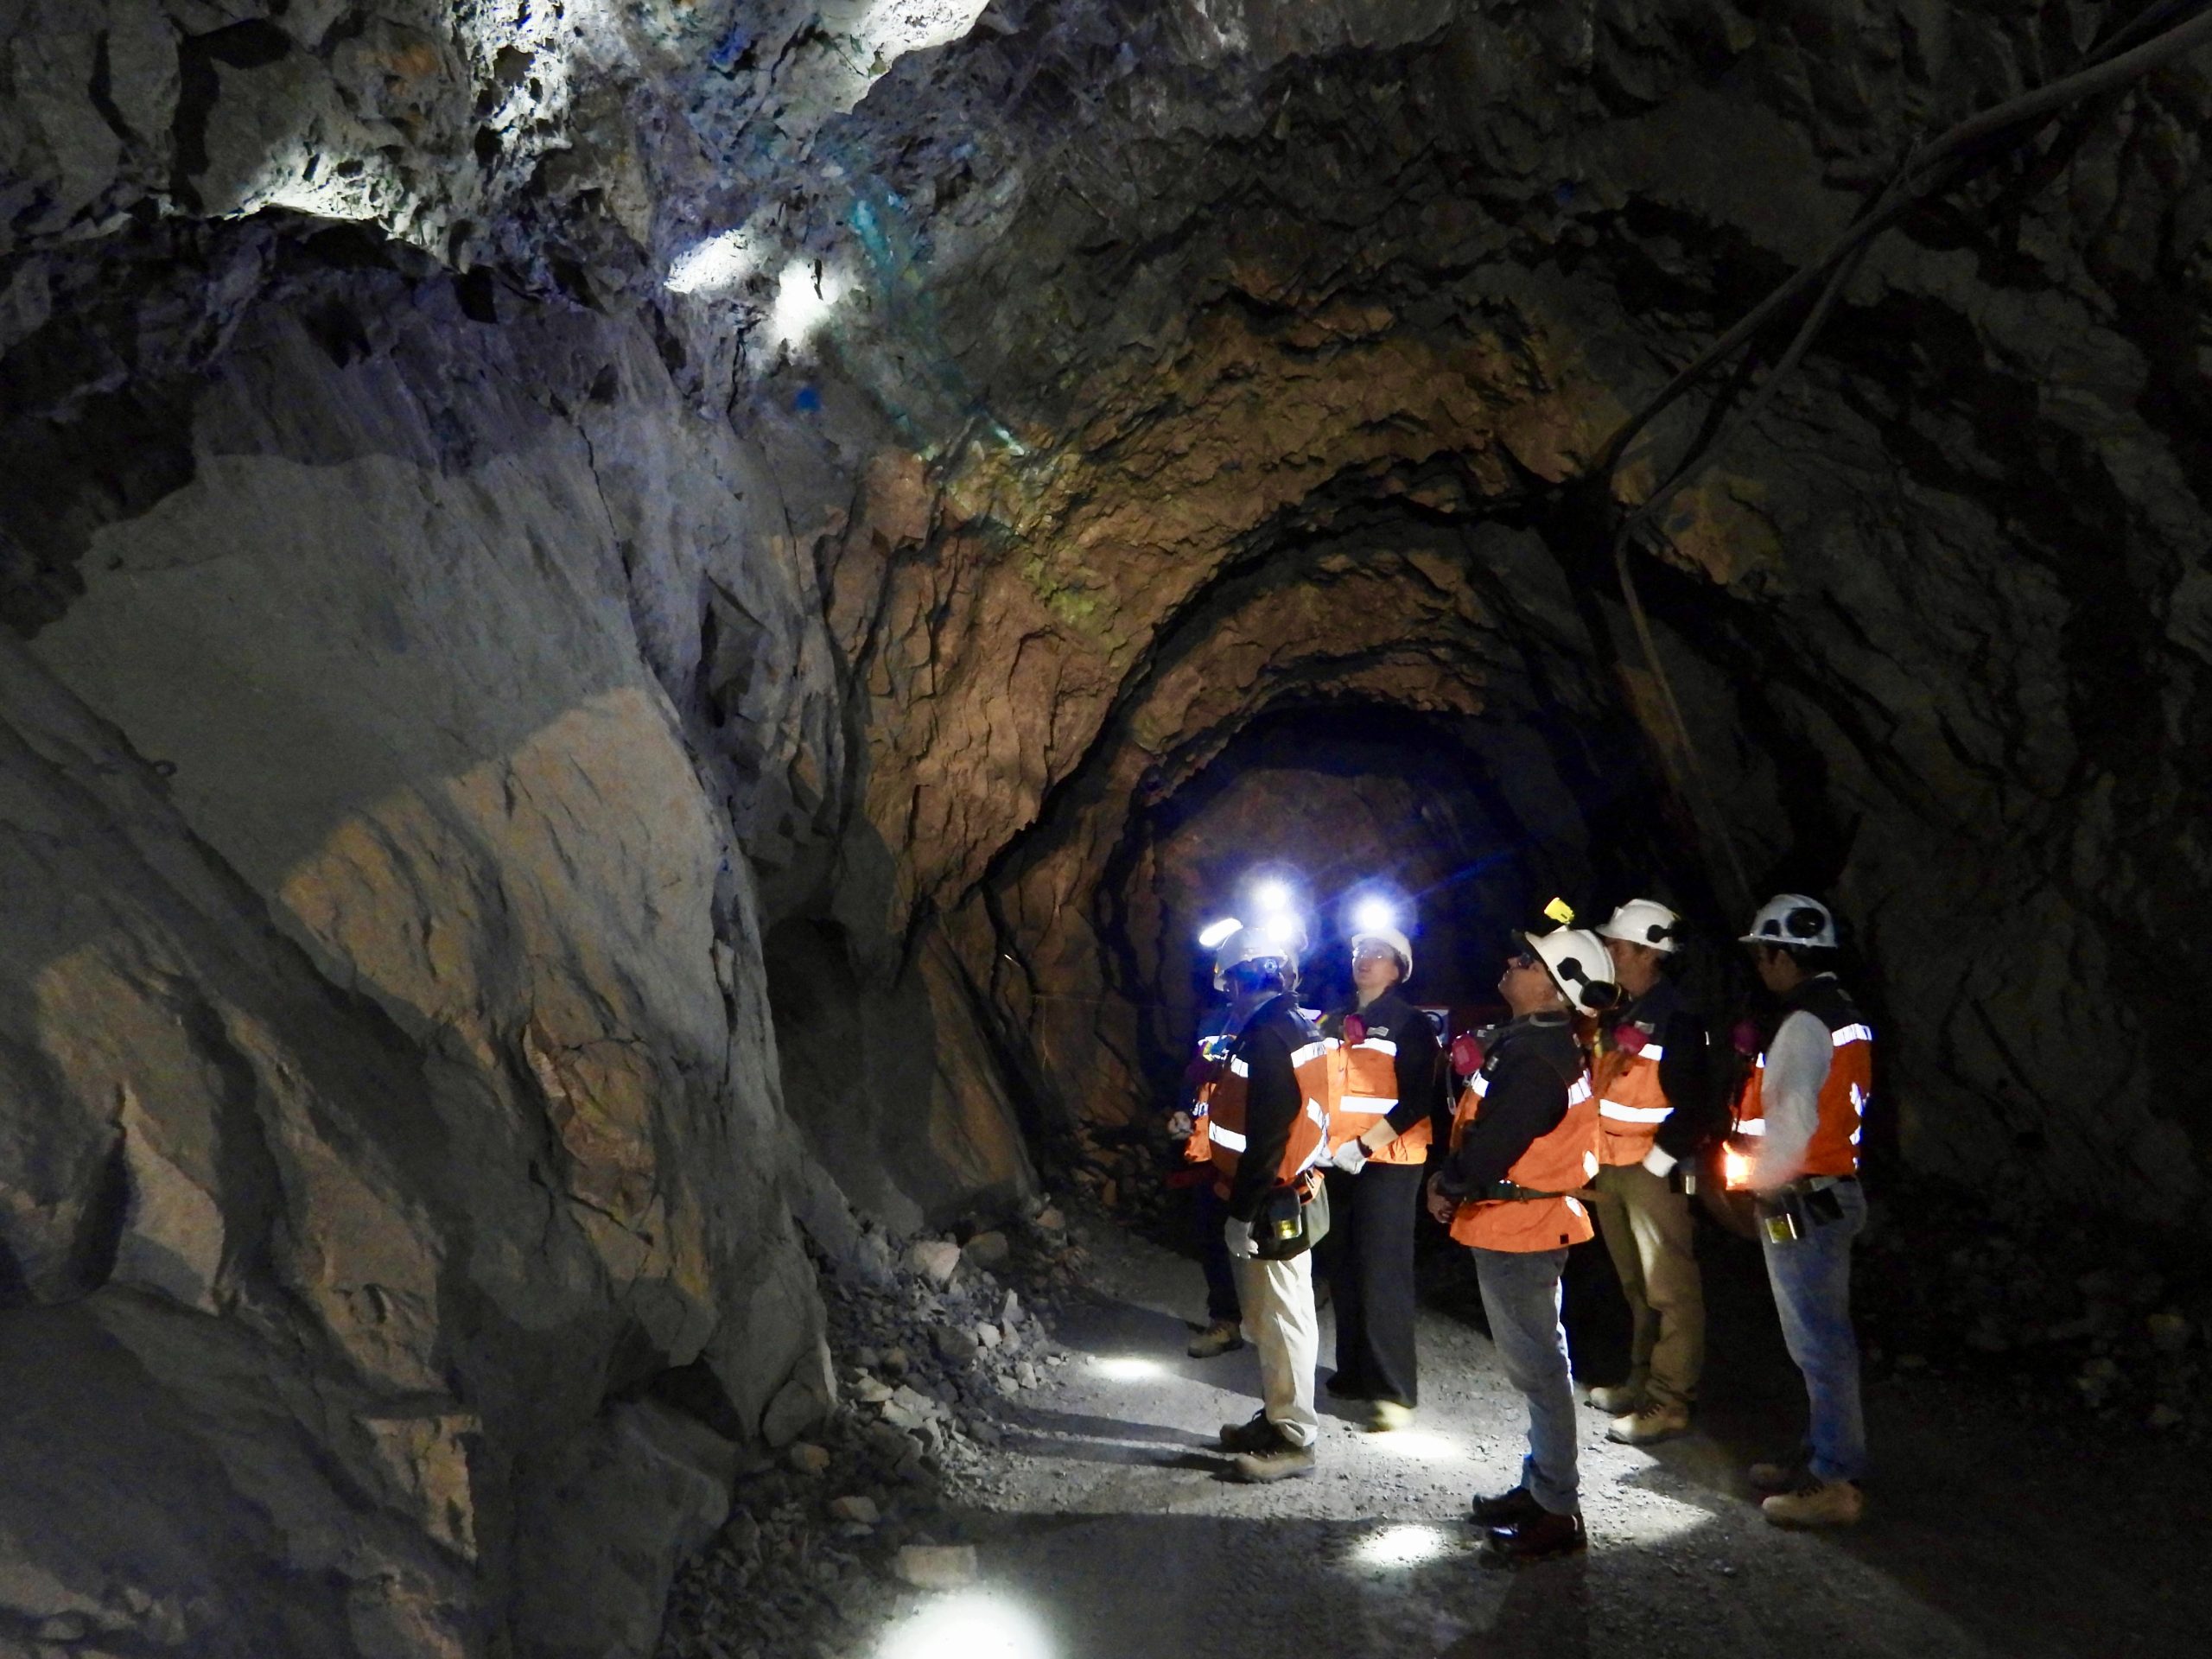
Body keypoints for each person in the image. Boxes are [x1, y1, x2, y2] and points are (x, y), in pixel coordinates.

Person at [1428, 923, 1616, 1563]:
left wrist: (1448, 1183)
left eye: (1530, 961)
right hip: (1520, 1222)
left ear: (1557, 990)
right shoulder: (1535, 1044)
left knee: (1539, 1370)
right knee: (1539, 1364)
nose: (1513, 962)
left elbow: (1496, 1143)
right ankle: (1541, 1489)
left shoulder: (1537, 1059)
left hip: (1522, 1227)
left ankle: (1557, 1510)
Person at [1730, 893, 1874, 1528]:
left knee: (1819, 1344)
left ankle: (1834, 1477)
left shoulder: (1803, 1023)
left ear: (1784, 956)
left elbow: (1792, 1117)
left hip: (1803, 1198)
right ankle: (1820, 1453)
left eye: (1764, 956)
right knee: (1819, 1339)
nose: (1761, 967)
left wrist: (1761, 1183)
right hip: (1831, 1191)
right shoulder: (1844, 1014)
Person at [1583, 899, 1721, 1445]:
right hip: (1614, 1164)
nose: (1610, 953)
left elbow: (1698, 1101)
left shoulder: (1678, 1016)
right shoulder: (1624, 1009)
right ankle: (1642, 1383)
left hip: (1650, 1169)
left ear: (1647, 953)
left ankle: (1670, 1401)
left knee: (1670, 1289)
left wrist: (1659, 1159)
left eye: (1618, 946)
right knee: (1636, 1285)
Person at [1206, 923, 1338, 1482]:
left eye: (1231, 983)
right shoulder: (1290, 1024)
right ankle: (1278, 1416)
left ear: (1244, 978)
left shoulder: (1267, 1035)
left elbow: (1267, 1134)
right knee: (1274, 1315)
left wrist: (1241, 1212)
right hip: (1284, 1189)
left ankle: (1293, 1438)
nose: (1230, 994)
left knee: (1284, 1318)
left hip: (1271, 1196)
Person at [1319, 923, 1442, 1432]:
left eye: (1379, 954)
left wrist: (1365, 1144)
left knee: (1382, 1272)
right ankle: (1354, 1373)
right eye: (1361, 952)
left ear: (1398, 969)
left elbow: (1416, 1099)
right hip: (1339, 1160)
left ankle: (1394, 1392)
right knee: (1344, 1265)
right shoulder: (1334, 1020)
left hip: (1389, 1160)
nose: (1365, 960)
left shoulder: (1411, 1025)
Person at [1173, 1002, 1245, 1358]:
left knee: (1260, 1243)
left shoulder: (1283, 1020)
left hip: (1255, 1153)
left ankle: (1273, 1331)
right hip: (1209, 1148)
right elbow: (1196, 1072)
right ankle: (1226, 1320)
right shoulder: (1214, 1018)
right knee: (1211, 1234)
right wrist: (1183, 1109)